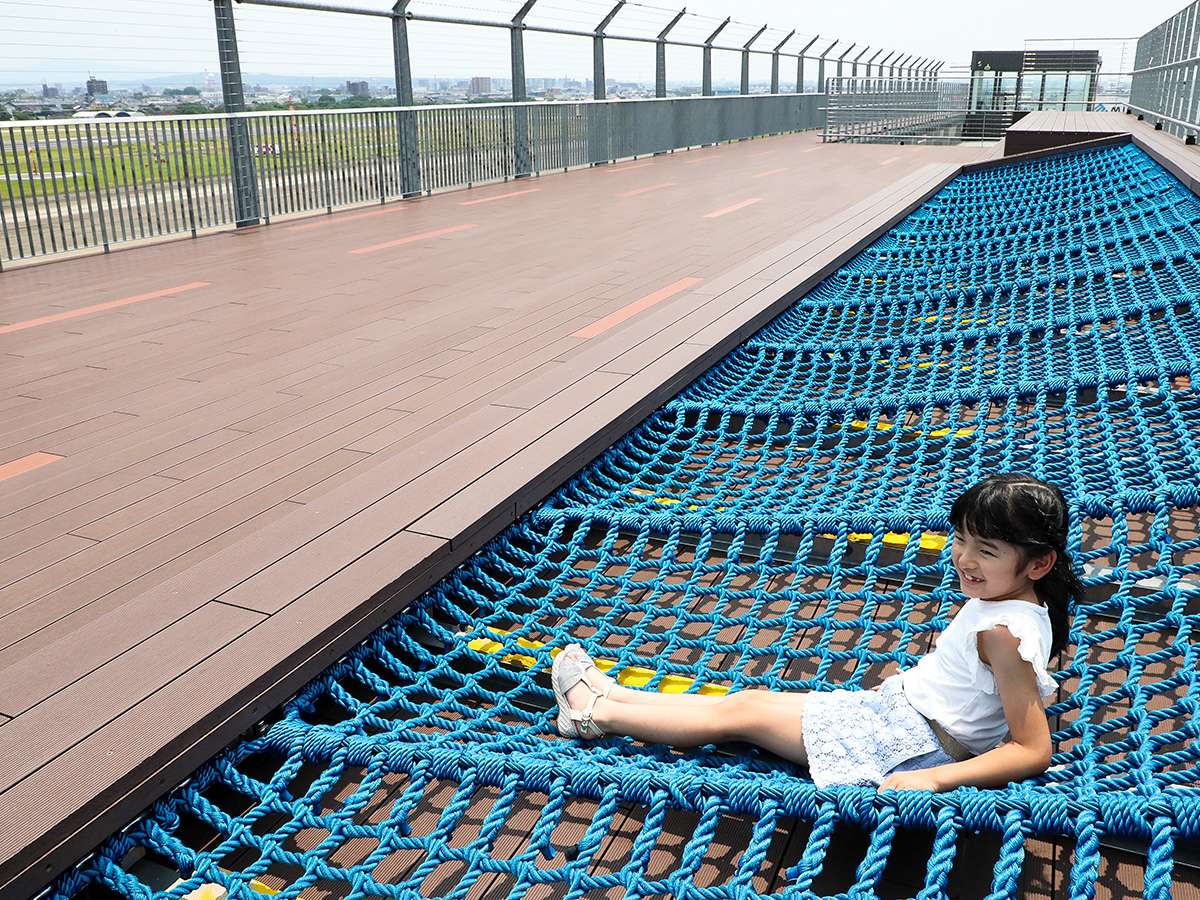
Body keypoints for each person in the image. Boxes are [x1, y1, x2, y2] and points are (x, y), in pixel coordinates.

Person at [550, 473, 1085, 792]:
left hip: (912, 749)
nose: (963, 559)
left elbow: (1032, 749)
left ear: (1039, 564)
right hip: (902, 718)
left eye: (985, 551)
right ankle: (617, 696)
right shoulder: (1005, 601)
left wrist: (936, 780)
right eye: (960, 538)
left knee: (742, 714)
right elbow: (967, 684)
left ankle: (594, 714)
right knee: (748, 699)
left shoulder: (1004, 633)